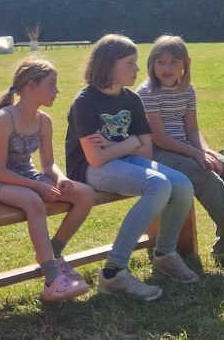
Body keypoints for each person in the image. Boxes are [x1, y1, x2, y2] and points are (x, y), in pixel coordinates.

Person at [66, 34, 198, 301]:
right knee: (158, 184)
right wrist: (131, 142)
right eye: (130, 63)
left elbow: (146, 150)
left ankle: (165, 253)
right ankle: (113, 273)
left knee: (182, 184)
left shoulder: (132, 99)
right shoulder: (85, 101)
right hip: (89, 171)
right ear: (107, 65)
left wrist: (116, 145)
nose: (138, 69)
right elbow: (95, 158)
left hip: (124, 161)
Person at [0, 58, 94, 301]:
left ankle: (53, 253)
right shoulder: (4, 119)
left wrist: (60, 178)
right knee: (33, 201)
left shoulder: (44, 120)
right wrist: (38, 186)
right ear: (31, 86)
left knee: (85, 194)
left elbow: (48, 164)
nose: (57, 90)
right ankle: (52, 280)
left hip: (29, 176)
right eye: (51, 84)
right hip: (0, 182)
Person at [137, 34, 224, 261]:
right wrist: (196, 154)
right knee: (203, 174)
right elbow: (160, 138)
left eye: (173, 62)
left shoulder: (187, 90)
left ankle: (222, 245)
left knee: (220, 163)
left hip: (183, 148)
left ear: (186, 63)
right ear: (151, 64)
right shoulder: (147, 92)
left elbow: (192, 129)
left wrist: (206, 151)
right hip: (156, 153)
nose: (167, 68)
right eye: (160, 62)